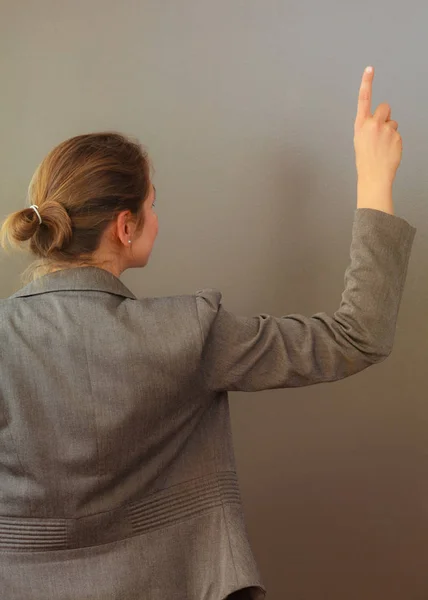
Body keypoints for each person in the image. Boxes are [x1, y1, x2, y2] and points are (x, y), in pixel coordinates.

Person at [0, 67, 415, 600]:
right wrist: (374, 179)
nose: (158, 215)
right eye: (153, 203)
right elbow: (359, 335)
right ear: (124, 227)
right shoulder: (189, 335)